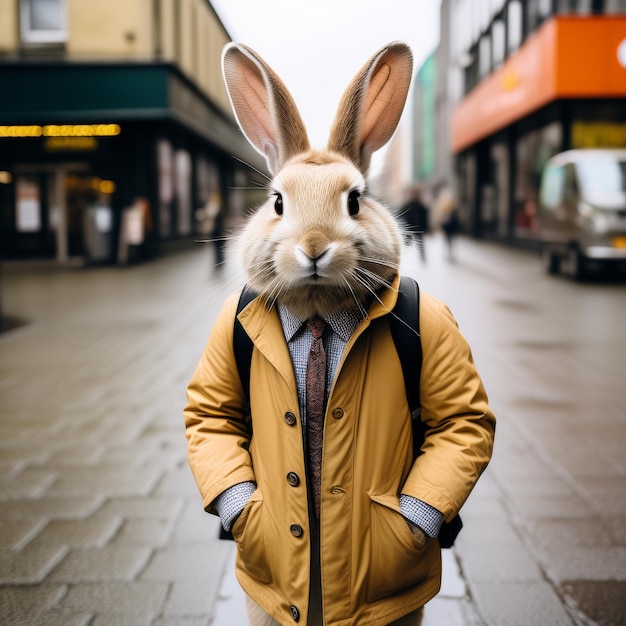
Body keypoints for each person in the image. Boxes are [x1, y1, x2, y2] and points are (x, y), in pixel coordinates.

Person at [184, 42, 495, 626]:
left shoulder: (417, 317)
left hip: (385, 586)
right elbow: (209, 416)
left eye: (350, 203)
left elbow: (465, 421)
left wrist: (418, 516)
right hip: (277, 579)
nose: (313, 242)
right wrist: (238, 506)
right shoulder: (241, 322)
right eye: (283, 204)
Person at [398, 184, 429, 262]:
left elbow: (425, 216)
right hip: (411, 227)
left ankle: (423, 257)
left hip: (418, 227)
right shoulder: (409, 204)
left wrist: (426, 228)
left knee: (420, 244)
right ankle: (401, 257)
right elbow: (401, 212)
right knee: (406, 243)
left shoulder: (420, 204)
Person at [436, 187, 460, 261]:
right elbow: (441, 218)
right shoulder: (445, 208)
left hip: (452, 228)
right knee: (447, 241)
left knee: (451, 241)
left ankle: (450, 254)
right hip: (447, 228)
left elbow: (456, 220)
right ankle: (448, 254)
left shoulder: (454, 209)